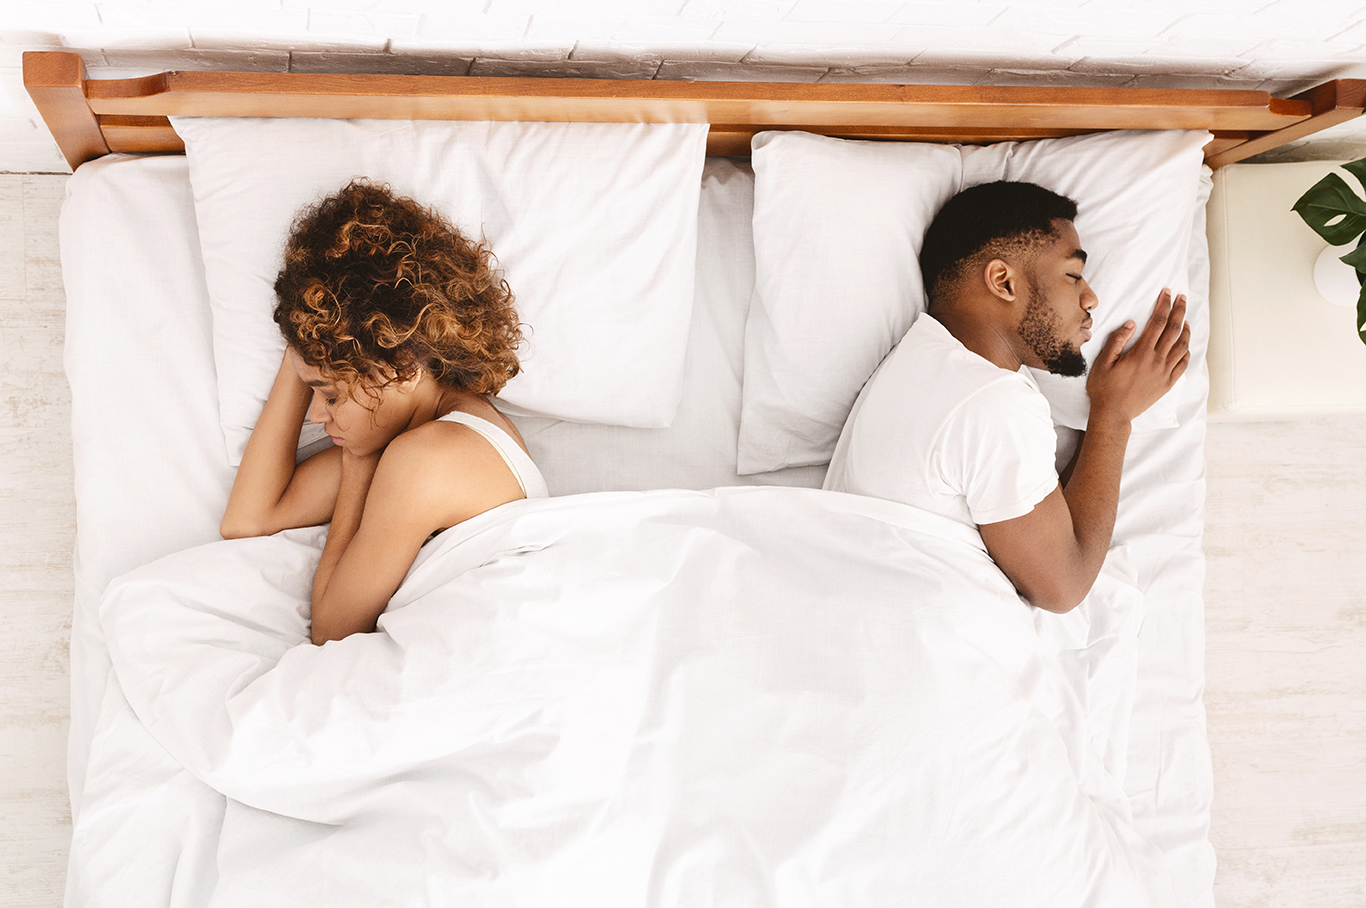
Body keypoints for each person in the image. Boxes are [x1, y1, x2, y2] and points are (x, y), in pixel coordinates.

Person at [824, 181, 1190, 614]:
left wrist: (1108, 415)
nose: (1091, 298)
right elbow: (1063, 588)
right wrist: (1114, 416)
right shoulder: (992, 402)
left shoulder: (924, 361)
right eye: (1073, 275)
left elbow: (1050, 526)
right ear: (1003, 281)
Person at [220, 180, 548, 644]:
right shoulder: (415, 429)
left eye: (330, 395)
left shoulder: (428, 459)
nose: (315, 416)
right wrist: (305, 339)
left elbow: (332, 631)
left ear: (401, 367)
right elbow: (247, 520)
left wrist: (356, 464)